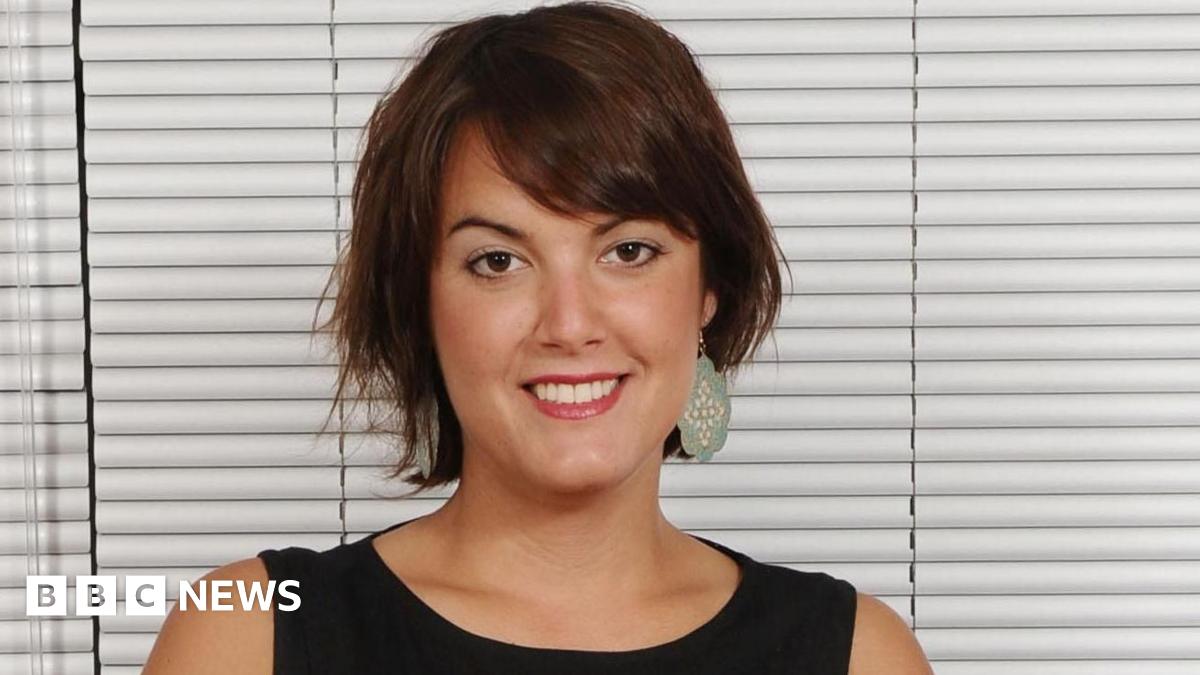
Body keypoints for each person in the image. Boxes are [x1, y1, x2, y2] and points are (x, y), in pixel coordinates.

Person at [142, 2, 933, 673]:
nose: (569, 323)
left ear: (708, 292)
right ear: (418, 301)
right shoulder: (243, 637)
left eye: (629, 251)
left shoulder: (858, 655)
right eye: (498, 260)